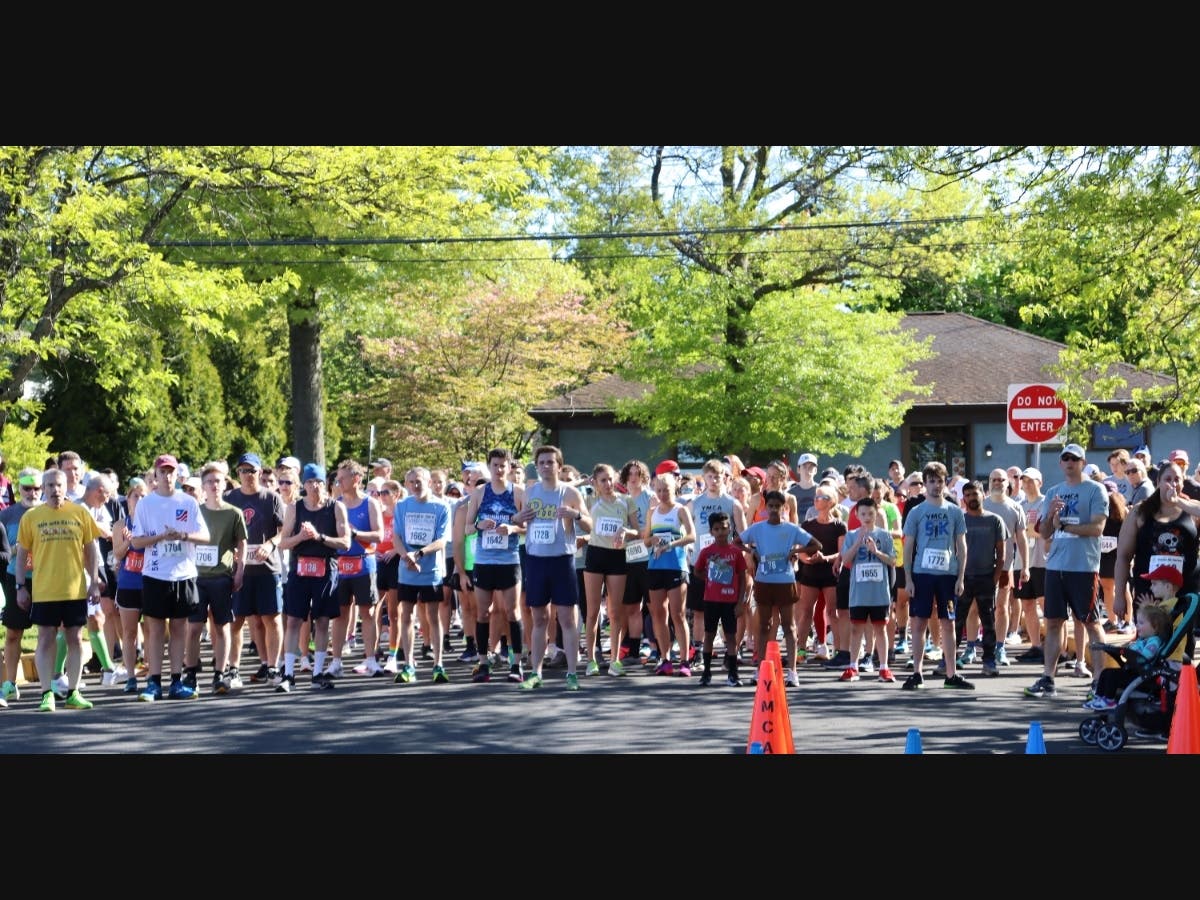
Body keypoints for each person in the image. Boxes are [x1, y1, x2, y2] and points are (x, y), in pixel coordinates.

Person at [1024, 443, 1109, 699]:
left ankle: (1100, 681)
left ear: (1082, 463)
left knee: (1091, 623)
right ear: (1060, 463)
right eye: (1066, 458)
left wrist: (1067, 527)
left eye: (1075, 459)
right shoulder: (1053, 492)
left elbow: (1097, 528)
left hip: (1083, 567)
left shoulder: (1095, 490)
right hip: (1056, 567)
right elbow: (1045, 533)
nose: (1070, 462)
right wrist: (1051, 516)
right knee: (1052, 622)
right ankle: (1048, 677)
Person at [15, 467, 104, 711]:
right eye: (50, 486)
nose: (55, 490)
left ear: (67, 488)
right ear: (43, 489)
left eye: (59, 485)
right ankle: (47, 693)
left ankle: (73, 691)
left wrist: (94, 581)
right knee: (45, 639)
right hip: (45, 590)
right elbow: (22, 554)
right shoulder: (32, 517)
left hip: (74, 589)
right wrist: (20, 586)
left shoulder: (79, 513)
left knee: (75, 638)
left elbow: (91, 548)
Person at [129, 454, 210, 701]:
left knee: (179, 629)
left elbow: (205, 536)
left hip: (183, 574)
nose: (167, 476)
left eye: (171, 471)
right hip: (155, 574)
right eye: (162, 472)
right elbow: (136, 540)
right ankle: (154, 682)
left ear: (177, 474)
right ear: (155, 475)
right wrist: (161, 537)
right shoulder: (146, 504)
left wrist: (182, 536)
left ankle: (176, 681)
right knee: (154, 630)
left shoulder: (188, 502)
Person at [512, 445, 591, 691]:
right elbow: (518, 520)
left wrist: (575, 515)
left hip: (561, 560)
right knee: (539, 618)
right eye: (542, 462)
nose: (546, 466)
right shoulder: (529, 491)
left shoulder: (569, 493)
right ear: (537, 466)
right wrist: (518, 520)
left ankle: (571, 673)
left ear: (559, 465)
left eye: (551, 462)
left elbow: (590, 525)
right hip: (536, 560)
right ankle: (535, 673)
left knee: (566, 619)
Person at [1112, 458, 1200, 657]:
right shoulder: (1140, 512)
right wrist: (1119, 596)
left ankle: (1178, 686)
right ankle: (1148, 687)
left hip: (1183, 592)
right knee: (1149, 645)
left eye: (1177, 479)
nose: (1173, 484)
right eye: (1168, 479)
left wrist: (1179, 502)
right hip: (1149, 591)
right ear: (1158, 482)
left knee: (1181, 646)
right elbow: (1123, 556)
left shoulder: (1192, 509)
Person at [736, 490, 822, 688]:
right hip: (764, 580)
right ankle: (761, 668)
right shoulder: (757, 528)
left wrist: (795, 550)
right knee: (764, 625)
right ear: (765, 508)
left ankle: (792, 672)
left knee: (789, 626)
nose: (774, 510)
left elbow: (816, 544)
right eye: (771, 506)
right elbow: (737, 541)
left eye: (778, 506)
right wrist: (752, 552)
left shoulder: (791, 529)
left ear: (784, 508)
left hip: (785, 581)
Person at [901, 461, 973, 690]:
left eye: (939, 481)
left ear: (945, 483)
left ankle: (951, 674)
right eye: (931, 481)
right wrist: (909, 578)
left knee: (948, 624)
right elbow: (908, 546)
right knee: (919, 622)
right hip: (922, 574)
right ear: (925, 483)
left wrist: (961, 576)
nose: (935, 485)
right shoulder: (916, 511)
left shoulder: (954, 511)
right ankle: (917, 672)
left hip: (947, 575)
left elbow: (962, 545)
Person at [277, 463, 349, 691]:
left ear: (324, 484)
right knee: (294, 621)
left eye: (317, 482)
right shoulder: (295, 509)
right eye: (309, 482)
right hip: (300, 569)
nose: (313, 487)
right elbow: (283, 542)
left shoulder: (336, 508)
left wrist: (319, 537)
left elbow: (346, 542)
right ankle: (288, 673)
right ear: (304, 485)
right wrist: (301, 536)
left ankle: (318, 672)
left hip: (326, 569)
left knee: (322, 621)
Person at [464, 448, 527, 684]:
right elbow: (468, 527)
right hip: (484, 560)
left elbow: (528, 526)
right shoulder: (480, 493)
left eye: (503, 465)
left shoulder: (518, 492)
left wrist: (512, 529)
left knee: (513, 612)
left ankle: (516, 664)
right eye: (495, 465)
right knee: (483, 612)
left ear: (509, 467)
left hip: (509, 560)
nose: (499, 470)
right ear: (489, 467)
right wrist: (481, 524)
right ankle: (482, 663)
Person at [225, 453, 286, 687]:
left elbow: (284, 532)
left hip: (267, 567)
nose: (247, 475)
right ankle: (233, 669)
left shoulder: (271, 498)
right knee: (236, 620)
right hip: (240, 569)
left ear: (260, 473)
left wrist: (270, 544)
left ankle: (272, 667)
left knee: (272, 618)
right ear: (238, 474)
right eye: (243, 471)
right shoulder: (230, 498)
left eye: (252, 471)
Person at [390, 467, 453, 684]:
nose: (415, 485)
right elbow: (396, 536)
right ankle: (408, 664)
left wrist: (418, 554)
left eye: (418, 481)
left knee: (432, 616)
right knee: (405, 615)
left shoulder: (441, 506)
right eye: (410, 482)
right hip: (407, 571)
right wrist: (407, 558)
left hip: (430, 571)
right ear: (406, 485)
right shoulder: (402, 506)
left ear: (428, 481)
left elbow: (442, 540)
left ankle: (438, 664)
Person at [190, 462, 248, 695]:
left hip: (221, 577)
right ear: (203, 486)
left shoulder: (234, 513)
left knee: (222, 625)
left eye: (218, 481)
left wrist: (240, 571)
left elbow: (242, 544)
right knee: (193, 627)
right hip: (196, 578)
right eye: (210, 482)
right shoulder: (195, 510)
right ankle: (191, 673)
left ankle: (219, 673)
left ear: (225, 484)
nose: (214, 485)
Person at [581, 462, 640, 676]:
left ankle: (615, 660)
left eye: (610, 479)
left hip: (617, 556)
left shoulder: (626, 501)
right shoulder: (589, 500)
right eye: (602, 480)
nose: (607, 484)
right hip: (595, 555)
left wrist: (626, 531)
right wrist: (582, 483)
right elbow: (566, 491)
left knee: (616, 612)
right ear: (595, 482)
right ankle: (591, 660)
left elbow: (638, 531)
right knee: (592, 611)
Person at [328, 459, 384, 679]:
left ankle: (371, 660)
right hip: (341, 564)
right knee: (340, 614)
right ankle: (336, 661)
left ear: (356, 479)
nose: (338, 482)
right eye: (337, 478)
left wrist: (356, 534)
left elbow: (379, 535)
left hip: (363, 563)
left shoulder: (370, 503)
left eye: (342, 478)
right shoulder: (336, 503)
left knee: (368, 613)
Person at [641, 472, 695, 677]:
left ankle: (684, 660)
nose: (663, 494)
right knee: (658, 614)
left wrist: (672, 543)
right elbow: (646, 540)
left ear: (675, 490)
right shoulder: (652, 511)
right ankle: (665, 658)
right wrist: (652, 540)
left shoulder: (680, 510)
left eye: (667, 490)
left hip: (676, 565)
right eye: (659, 490)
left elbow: (691, 536)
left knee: (678, 614)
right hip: (655, 566)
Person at [1082, 589, 1172, 711]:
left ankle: (1109, 700)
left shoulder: (1154, 642)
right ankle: (1099, 697)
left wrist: (1130, 652)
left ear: (1155, 626)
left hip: (1142, 676)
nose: (1137, 626)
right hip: (1135, 671)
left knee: (1113, 676)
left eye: (1141, 623)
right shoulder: (1143, 640)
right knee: (1106, 672)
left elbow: (1144, 656)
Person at [838, 496, 896, 683]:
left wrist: (876, 552)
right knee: (856, 628)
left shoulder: (884, 535)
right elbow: (845, 561)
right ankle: (853, 667)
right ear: (857, 514)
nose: (867, 517)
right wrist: (857, 543)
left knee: (880, 628)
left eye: (870, 513)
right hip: (859, 593)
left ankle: (884, 668)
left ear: (876, 513)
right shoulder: (851, 535)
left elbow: (893, 561)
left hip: (879, 592)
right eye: (863, 513)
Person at [955, 480, 1008, 679]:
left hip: (986, 577)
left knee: (988, 623)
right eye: (967, 495)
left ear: (982, 495)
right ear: (963, 498)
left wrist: (995, 577)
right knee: (956, 622)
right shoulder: (959, 519)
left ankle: (988, 661)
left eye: (974, 494)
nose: (971, 498)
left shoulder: (995, 520)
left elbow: (1002, 552)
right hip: (963, 579)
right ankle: (949, 660)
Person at [692, 510, 748, 686]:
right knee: (709, 634)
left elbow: (743, 577)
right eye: (716, 529)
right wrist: (710, 576)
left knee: (730, 637)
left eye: (724, 528)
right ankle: (706, 672)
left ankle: (733, 673)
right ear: (711, 532)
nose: (721, 532)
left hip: (730, 601)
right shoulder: (707, 552)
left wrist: (741, 602)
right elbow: (697, 571)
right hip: (711, 600)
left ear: (730, 528)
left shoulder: (736, 552)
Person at [981, 467, 1029, 668]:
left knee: (1002, 606)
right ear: (989, 482)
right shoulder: (980, 504)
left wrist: (1025, 566)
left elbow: (1022, 538)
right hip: (980, 565)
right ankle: (971, 647)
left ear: (1008, 483)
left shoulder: (1015, 507)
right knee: (977, 608)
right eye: (994, 479)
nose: (997, 483)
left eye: (1001, 480)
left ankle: (1000, 647)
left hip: (1005, 565)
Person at [0, 468, 40, 704]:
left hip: (47, 577)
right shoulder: (8, 515)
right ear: (18, 489)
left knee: (50, 631)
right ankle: (9, 683)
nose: (32, 493)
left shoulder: (51, 512)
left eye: (36, 488)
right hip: (15, 577)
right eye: (27, 488)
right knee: (14, 632)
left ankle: (54, 679)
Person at [796, 483, 845, 664]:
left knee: (833, 612)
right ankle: (801, 650)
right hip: (810, 572)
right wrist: (804, 559)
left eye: (821, 497)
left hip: (830, 573)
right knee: (805, 611)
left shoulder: (839, 526)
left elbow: (842, 553)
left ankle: (839, 651)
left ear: (831, 501)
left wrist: (824, 558)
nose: (816, 500)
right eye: (815, 497)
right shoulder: (808, 524)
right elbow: (800, 547)